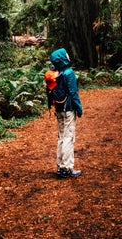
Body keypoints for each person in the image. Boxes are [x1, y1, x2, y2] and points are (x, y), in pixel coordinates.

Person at [47, 48, 83, 178]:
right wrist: (79, 108)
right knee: (68, 137)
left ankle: (60, 165)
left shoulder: (56, 73)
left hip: (59, 109)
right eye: (66, 54)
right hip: (68, 109)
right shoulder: (69, 73)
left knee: (62, 137)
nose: (68, 55)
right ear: (63, 57)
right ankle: (67, 168)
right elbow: (73, 93)